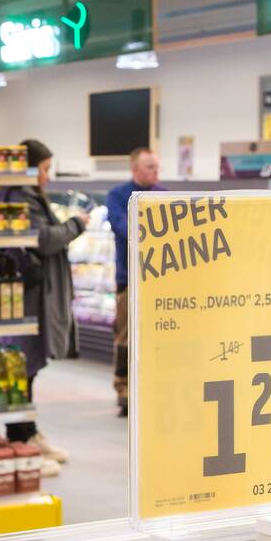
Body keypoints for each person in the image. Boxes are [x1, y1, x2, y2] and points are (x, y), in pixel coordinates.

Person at [0, 139, 87, 474]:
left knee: (28, 368)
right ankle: (20, 442)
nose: (48, 176)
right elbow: (45, 240)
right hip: (26, 296)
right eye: (45, 169)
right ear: (29, 167)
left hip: (30, 294)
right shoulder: (20, 197)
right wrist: (76, 225)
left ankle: (28, 433)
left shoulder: (24, 195)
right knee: (23, 366)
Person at [105, 147, 163, 417]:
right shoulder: (118, 196)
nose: (156, 172)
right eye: (150, 167)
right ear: (135, 168)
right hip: (129, 280)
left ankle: (153, 388)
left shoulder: (164, 195)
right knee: (126, 337)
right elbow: (124, 227)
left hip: (160, 280)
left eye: (157, 167)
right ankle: (124, 390)